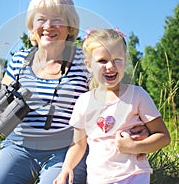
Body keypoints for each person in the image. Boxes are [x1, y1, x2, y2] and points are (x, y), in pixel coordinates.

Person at [0, 0, 149, 184]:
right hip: (18, 147)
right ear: (32, 25)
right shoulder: (20, 59)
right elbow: (1, 113)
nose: (48, 26)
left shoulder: (84, 61)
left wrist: (136, 127)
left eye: (57, 19)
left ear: (70, 26)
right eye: (41, 19)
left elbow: (112, 100)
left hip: (65, 151)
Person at [53, 29, 171, 184]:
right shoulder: (83, 102)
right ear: (88, 65)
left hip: (134, 176)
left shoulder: (137, 95)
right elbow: (78, 144)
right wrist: (67, 168)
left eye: (117, 59)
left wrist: (136, 146)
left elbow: (163, 137)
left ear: (125, 60)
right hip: (98, 179)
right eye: (102, 60)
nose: (110, 66)